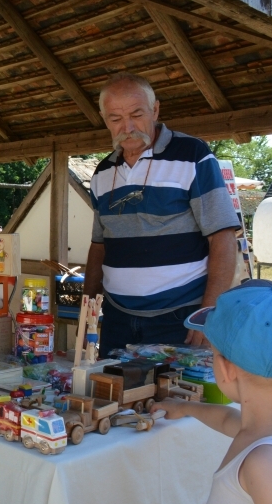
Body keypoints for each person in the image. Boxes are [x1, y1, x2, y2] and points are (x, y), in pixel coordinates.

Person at [84, 72, 239, 356]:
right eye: (115, 118)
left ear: (155, 110)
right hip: (117, 318)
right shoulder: (103, 172)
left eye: (136, 114)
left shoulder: (192, 154)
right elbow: (99, 245)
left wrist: (207, 312)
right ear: (104, 118)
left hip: (180, 318)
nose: (127, 127)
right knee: (114, 397)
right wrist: (88, 307)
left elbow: (223, 237)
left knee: (175, 399)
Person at [151, 280, 272, 504]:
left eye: (212, 354)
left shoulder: (268, 464)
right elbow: (227, 419)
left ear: (226, 369)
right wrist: (185, 407)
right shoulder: (269, 431)